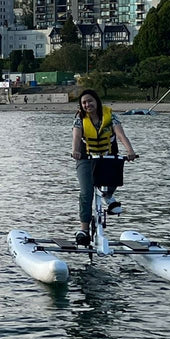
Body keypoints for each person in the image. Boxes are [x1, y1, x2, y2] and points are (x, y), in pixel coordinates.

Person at [70, 89, 137, 246]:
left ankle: (107, 195)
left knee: (115, 176)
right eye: (84, 102)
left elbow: (120, 135)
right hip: (86, 158)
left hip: (107, 156)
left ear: (97, 101)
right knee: (86, 192)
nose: (88, 105)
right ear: (81, 105)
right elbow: (76, 136)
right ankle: (84, 230)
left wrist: (130, 151)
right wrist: (75, 151)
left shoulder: (111, 116)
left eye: (90, 101)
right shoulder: (80, 118)